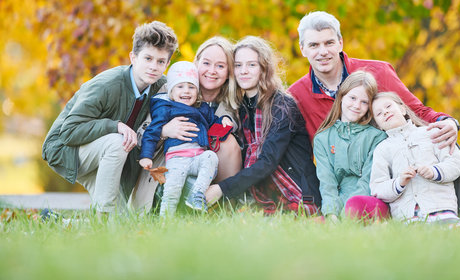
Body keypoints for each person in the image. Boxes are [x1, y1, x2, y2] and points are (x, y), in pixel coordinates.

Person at [287, 11, 460, 219]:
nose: (323, 52)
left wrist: (448, 122)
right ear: (302, 49)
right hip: (349, 181)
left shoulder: (377, 72)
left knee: (441, 135)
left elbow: (415, 110)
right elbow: (301, 152)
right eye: (314, 45)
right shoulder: (296, 95)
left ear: (340, 43)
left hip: (394, 163)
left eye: (329, 43)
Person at [42, 21, 178, 214]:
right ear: (133, 57)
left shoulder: (162, 87)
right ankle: (104, 217)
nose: (153, 67)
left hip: (108, 156)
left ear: (167, 64)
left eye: (160, 61)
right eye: (148, 58)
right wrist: (115, 125)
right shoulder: (107, 85)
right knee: (117, 141)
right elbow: (68, 132)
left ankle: (59, 221)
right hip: (68, 149)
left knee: (121, 224)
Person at [206, 36, 321, 214]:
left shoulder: (282, 106)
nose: (244, 71)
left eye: (252, 65)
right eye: (238, 65)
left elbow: (268, 162)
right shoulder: (243, 107)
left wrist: (222, 188)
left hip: (295, 190)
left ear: (263, 68)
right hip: (260, 190)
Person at [130, 36, 242, 212]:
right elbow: (140, 136)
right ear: (196, 64)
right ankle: (165, 210)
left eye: (220, 66)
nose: (212, 71)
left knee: (228, 143)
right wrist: (164, 131)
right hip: (169, 166)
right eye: (206, 63)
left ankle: (224, 208)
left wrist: (227, 124)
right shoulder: (170, 90)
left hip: (204, 166)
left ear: (229, 72)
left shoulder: (230, 103)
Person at [370, 92, 460, 225]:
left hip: (440, 208)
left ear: (403, 109)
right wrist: (399, 182)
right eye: (379, 113)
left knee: (451, 233)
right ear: (378, 125)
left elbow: (456, 163)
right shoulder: (382, 150)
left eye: (388, 106)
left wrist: (434, 171)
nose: (385, 112)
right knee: (416, 241)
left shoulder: (431, 133)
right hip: (407, 217)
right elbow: (377, 187)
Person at [314, 71, 388, 222]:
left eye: (364, 102)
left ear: (369, 107)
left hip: (367, 199)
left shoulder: (377, 137)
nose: (356, 106)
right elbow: (327, 182)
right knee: (314, 225)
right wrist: (332, 214)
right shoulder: (322, 138)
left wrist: (348, 213)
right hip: (338, 200)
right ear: (341, 97)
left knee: (355, 208)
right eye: (352, 98)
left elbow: (367, 180)